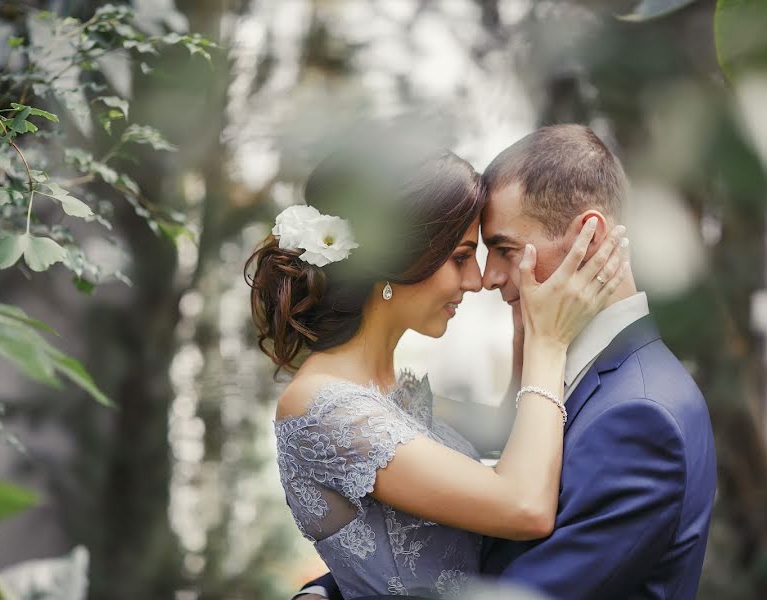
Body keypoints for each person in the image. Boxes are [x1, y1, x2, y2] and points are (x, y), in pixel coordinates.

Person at [298, 124, 717, 600]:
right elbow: (450, 550)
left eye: (504, 249)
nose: (490, 278)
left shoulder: (641, 416)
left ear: (590, 236)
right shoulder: (570, 378)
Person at [245, 130, 627, 600]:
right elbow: (524, 505)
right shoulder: (324, 406)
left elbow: (513, 431)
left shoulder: (391, 390)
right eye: (461, 258)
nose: (476, 280)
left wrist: (527, 325)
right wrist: (550, 343)